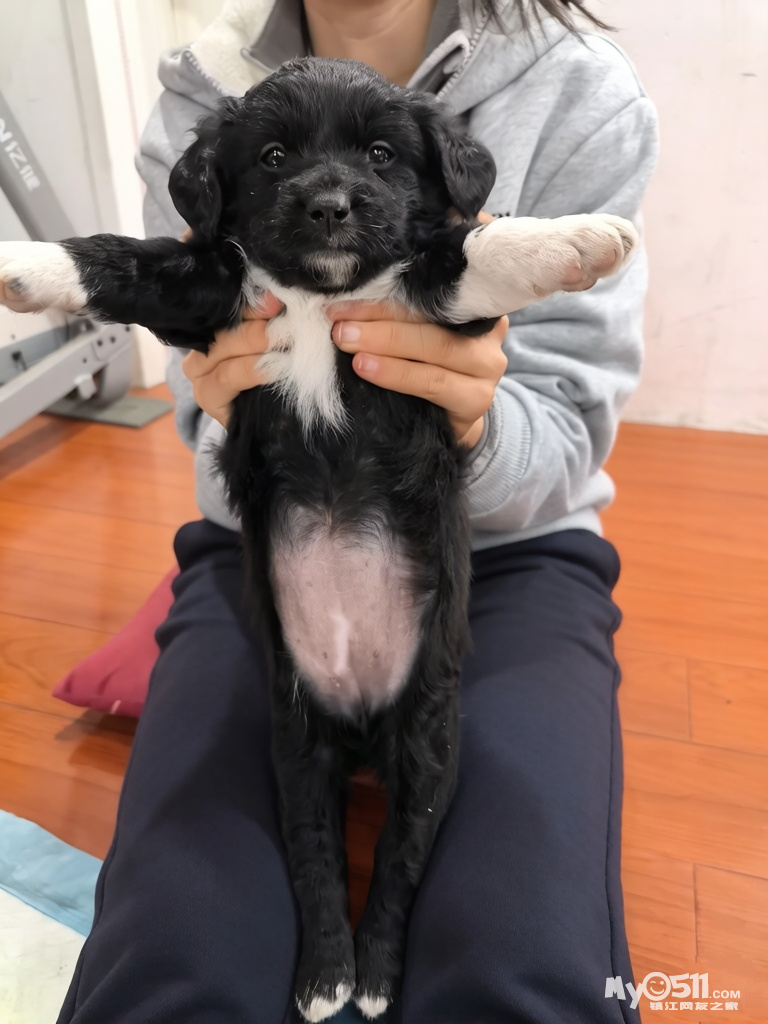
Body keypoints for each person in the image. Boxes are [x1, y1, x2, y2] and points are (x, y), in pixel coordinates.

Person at [57, 1, 658, 1022]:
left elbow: (569, 425)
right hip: (273, 539)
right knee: (174, 954)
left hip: (510, 546)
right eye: (279, 163)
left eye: (376, 161)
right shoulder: (196, 102)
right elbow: (197, 410)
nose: (333, 197)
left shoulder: (584, 92)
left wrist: (463, 424)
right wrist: (234, 397)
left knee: (523, 961)